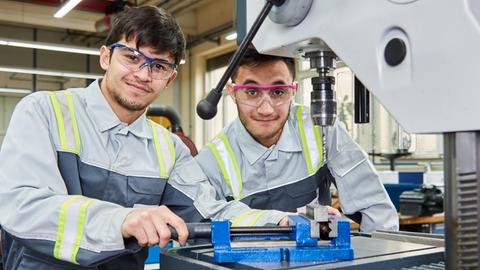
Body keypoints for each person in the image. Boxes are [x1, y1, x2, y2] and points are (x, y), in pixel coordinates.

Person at [0, 7, 288, 270]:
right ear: (105, 57)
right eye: (132, 57)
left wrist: (279, 222)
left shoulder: (169, 149)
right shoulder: (44, 112)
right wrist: (120, 220)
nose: (143, 74)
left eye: (159, 66)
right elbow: (22, 205)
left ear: (170, 78)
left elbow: (210, 213)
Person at [195, 48, 399, 233]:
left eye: (278, 92)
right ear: (232, 92)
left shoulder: (322, 129)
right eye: (252, 92)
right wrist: (280, 220)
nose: (266, 109)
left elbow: (375, 208)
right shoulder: (212, 159)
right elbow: (203, 220)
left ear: (294, 90)